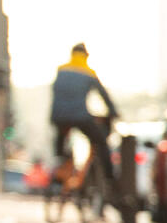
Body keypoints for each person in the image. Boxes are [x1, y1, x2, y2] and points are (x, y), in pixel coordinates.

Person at [50, 43, 117, 185]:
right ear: (86, 56)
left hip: (58, 117)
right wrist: (113, 112)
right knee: (100, 142)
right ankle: (109, 177)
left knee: (61, 140)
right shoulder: (88, 72)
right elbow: (103, 95)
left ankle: (60, 166)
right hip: (80, 116)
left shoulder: (61, 70)